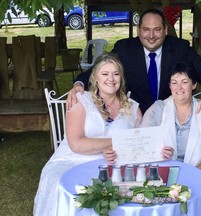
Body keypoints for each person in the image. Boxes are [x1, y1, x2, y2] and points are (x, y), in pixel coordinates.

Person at [68, 8, 201, 124]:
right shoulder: (124, 49)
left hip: (171, 120)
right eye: (146, 29)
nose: (151, 35)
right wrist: (79, 84)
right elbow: (96, 72)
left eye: (157, 29)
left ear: (166, 30)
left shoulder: (180, 48)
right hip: (134, 120)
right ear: (138, 30)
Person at [33, 53, 142, 216]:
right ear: (95, 78)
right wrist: (114, 142)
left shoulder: (132, 107)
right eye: (105, 74)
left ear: (121, 78)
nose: (111, 79)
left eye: (116, 74)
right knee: (70, 185)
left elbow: (138, 143)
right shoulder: (80, 100)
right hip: (72, 159)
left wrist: (119, 149)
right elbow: (76, 143)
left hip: (114, 162)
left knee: (125, 187)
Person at [140, 60, 201, 200]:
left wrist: (192, 174)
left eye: (184, 82)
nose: (179, 87)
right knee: (158, 199)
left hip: (200, 173)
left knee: (191, 198)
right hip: (163, 176)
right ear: (169, 85)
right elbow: (142, 142)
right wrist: (157, 152)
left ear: (194, 84)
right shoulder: (158, 109)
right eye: (174, 82)